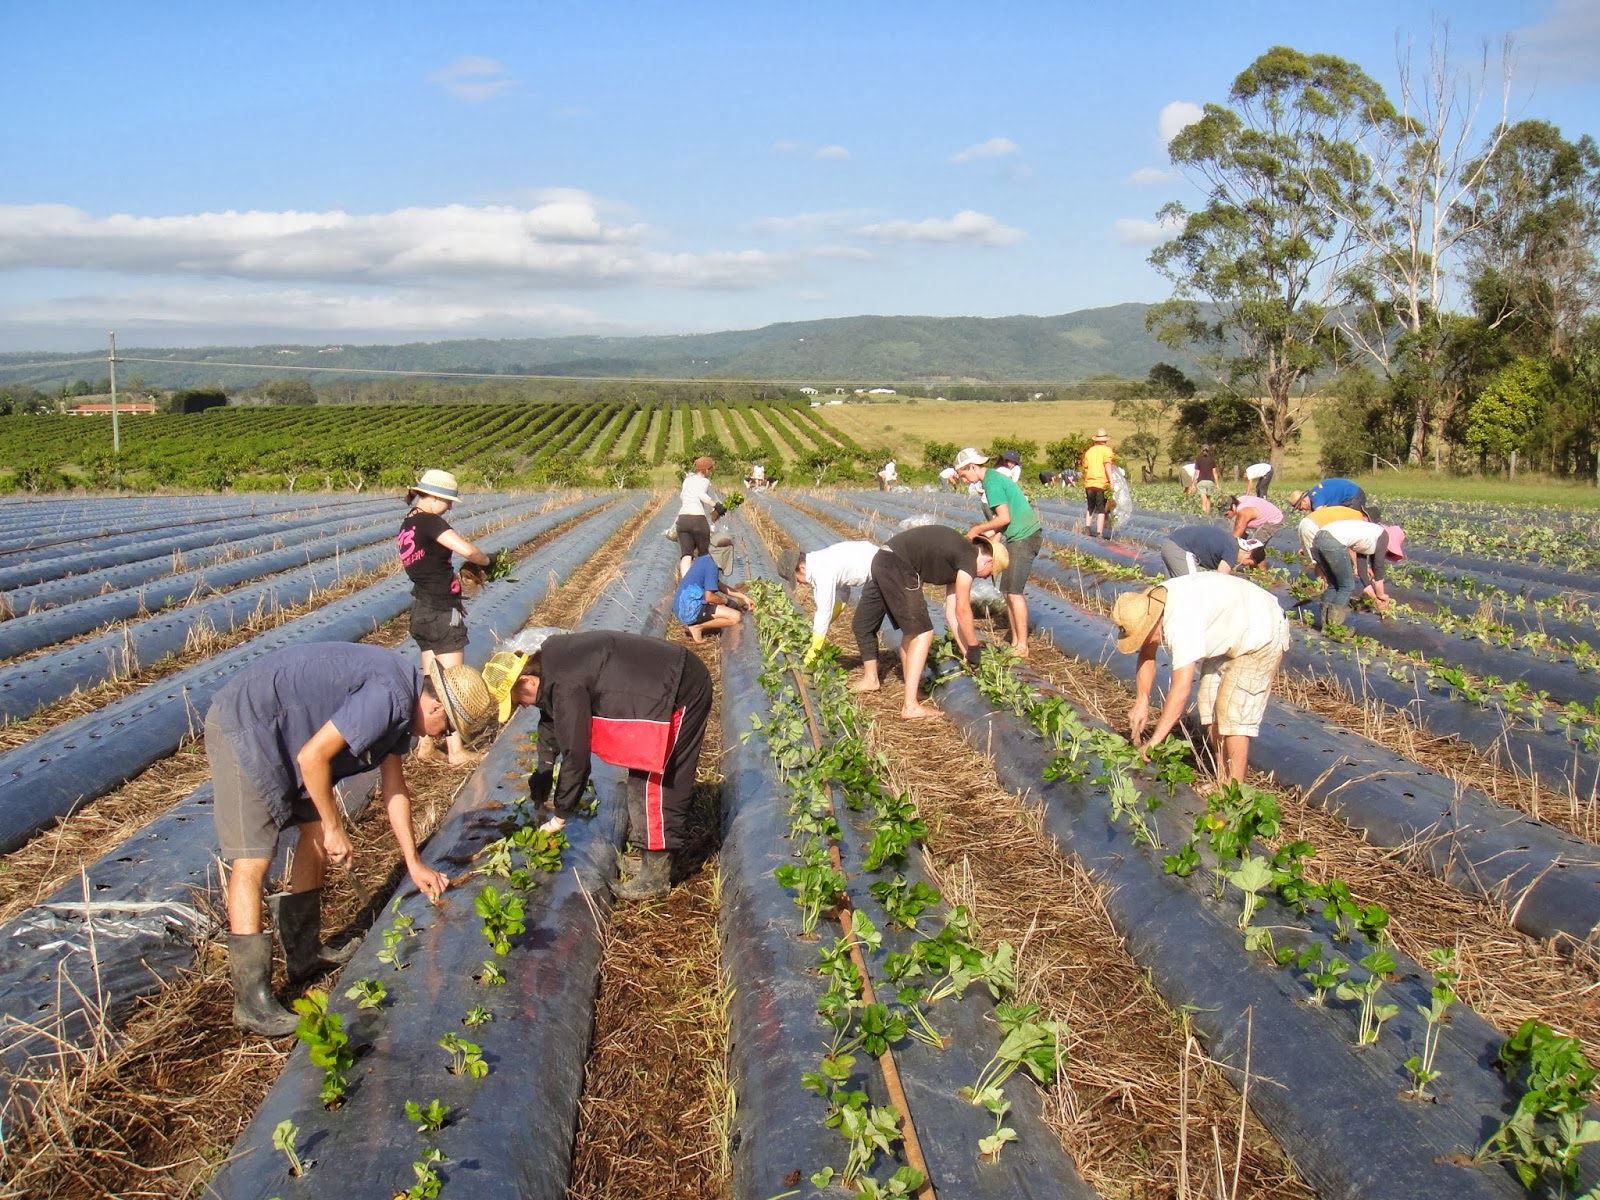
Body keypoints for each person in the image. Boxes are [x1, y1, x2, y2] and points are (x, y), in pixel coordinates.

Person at [207, 643, 492, 1034]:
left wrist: (414, 863)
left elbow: (395, 788)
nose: (445, 737)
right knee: (253, 857)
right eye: (449, 729)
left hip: (290, 733)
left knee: (312, 831)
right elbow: (312, 758)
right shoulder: (389, 697)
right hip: (247, 726)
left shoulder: (403, 701)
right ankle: (251, 1003)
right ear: (437, 708)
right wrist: (334, 826)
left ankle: (304, 954)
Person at [488, 630, 713, 901]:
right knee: (641, 774)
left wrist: (560, 816)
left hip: (680, 689)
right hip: (661, 685)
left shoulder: (565, 684)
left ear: (527, 680)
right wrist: (543, 774)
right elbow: (551, 722)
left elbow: (576, 757)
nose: (523, 706)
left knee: (654, 784)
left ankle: (655, 877)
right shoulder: (552, 664)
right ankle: (650, 860)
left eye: (518, 699)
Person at [1114, 574, 1290, 784]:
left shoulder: (1182, 623)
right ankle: (1222, 780)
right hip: (1232, 628)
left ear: (1153, 622)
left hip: (1262, 631)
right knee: (1209, 704)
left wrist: (1154, 741)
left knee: (1233, 715)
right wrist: (1141, 701)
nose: (1145, 641)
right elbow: (1147, 654)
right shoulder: (1150, 604)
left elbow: (1181, 689)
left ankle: (1234, 791)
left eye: (1143, 636)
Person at [853, 524, 1005, 719]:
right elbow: (962, 609)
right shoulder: (968, 558)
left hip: (885, 560)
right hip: (897, 564)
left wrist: (966, 652)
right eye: (989, 574)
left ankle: (911, 691)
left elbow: (952, 613)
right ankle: (910, 706)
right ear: (987, 561)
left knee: (913, 631)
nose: (983, 579)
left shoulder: (960, 555)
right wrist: (974, 646)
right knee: (923, 633)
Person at [397, 469, 491, 766]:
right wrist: (487, 561)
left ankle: (425, 745)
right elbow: (467, 550)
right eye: (448, 501)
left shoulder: (409, 523)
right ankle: (456, 751)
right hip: (440, 610)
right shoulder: (429, 520)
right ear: (435, 497)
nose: (449, 507)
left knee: (430, 680)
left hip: (421, 609)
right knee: (451, 682)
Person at [953, 447, 1043, 657]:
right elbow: (1001, 525)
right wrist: (987, 543)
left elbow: (1004, 518)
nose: (964, 479)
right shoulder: (991, 480)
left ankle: (1022, 645)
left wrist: (976, 530)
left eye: (964, 474)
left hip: (1024, 536)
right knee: (1008, 591)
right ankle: (1015, 641)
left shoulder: (992, 482)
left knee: (1014, 592)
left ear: (973, 467)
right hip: (1017, 536)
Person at [778, 540, 883, 667]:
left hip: (881, 568)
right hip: (878, 565)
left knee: (862, 626)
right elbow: (843, 591)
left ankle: (872, 673)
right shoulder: (819, 561)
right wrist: (829, 619)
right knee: (862, 625)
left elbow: (824, 611)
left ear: (802, 567)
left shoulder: (822, 571)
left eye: (796, 579)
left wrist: (814, 650)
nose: (799, 583)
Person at [1306, 517, 1398, 625]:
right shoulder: (1384, 535)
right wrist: (1381, 595)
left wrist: (1375, 598)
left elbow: (1362, 571)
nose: (1386, 552)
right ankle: (1334, 626)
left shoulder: (1368, 536)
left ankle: (1325, 625)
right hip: (1332, 540)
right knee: (1347, 586)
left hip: (1318, 539)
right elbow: (1378, 567)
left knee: (1333, 585)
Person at [673, 551, 752, 641]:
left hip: (680, 607)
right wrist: (726, 601)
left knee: (722, 607)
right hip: (690, 610)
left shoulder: (704, 559)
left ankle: (697, 623)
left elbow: (720, 586)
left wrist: (743, 597)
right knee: (736, 616)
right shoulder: (713, 566)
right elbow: (709, 597)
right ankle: (697, 627)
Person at [1158, 524, 1265, 577]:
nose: (1245, 565)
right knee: (1193, 588)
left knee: (1172, 590)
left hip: (1169, 543)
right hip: (1180, 549)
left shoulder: (1231, 541)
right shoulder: (1233, 551)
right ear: (1248, 554)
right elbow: (1220, 578)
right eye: (1249, 563)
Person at [677, 456, 721, 578]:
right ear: (706, 470)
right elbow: (701, 495)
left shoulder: (687, 481)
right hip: (697, 520)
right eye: (710, 470)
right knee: (704, 555)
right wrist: (716, 505)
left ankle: (685, 582)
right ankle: (703, 581)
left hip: (683, 520)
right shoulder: (704, 481)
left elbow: (682, 496)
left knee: (686, 555)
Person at [1081, 429, 1116, 539]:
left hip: (1089, 483)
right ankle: (1099, 533)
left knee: (1090, 507)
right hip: (1101, 483)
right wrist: (1111, 481)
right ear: (1105, 440)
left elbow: (1086, 468)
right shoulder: (1107, 451)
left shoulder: (1089, 451)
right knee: (1101, 509)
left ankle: (1087, 528)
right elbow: (1107, 467)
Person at [1289, 478, 1369, 517]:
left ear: (1304, 501)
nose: (1302, 510)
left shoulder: (1316, 499)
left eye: (1300, 508)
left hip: (1353, 496)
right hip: (1349, 495)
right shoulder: (1313, 494)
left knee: (1351, 522)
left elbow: (1321, 515)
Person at [1192, 445, 1219, 514]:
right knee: (1208, 499)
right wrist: (1217, 484)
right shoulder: (1212, 460)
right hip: (1210, 481)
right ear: (1209, 450)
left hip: (1201, 481)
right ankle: (1208, 513)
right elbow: (1215, 473)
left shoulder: (1198, 459)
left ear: (1201, 450)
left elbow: (1196, 473)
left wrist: (1193, 484)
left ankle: (1204, 514)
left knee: (1203, 499)